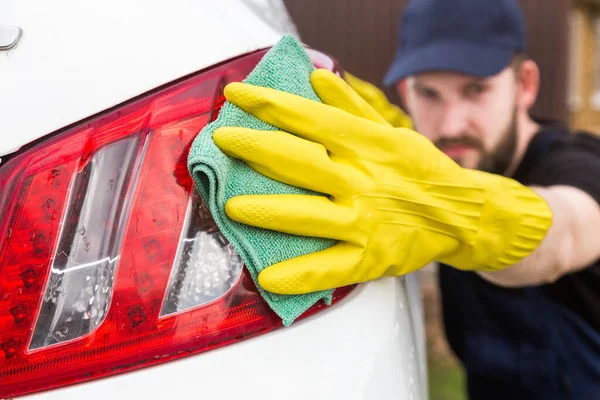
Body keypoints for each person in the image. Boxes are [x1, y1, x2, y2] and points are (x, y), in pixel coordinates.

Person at [211, 0, 600, 398]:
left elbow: (567, 232)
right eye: (429, 93)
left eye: (476, 89)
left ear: (526, 85)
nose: (451, 124)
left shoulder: (581, 163)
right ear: (404, 93)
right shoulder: (417, 161)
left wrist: (460, 216)